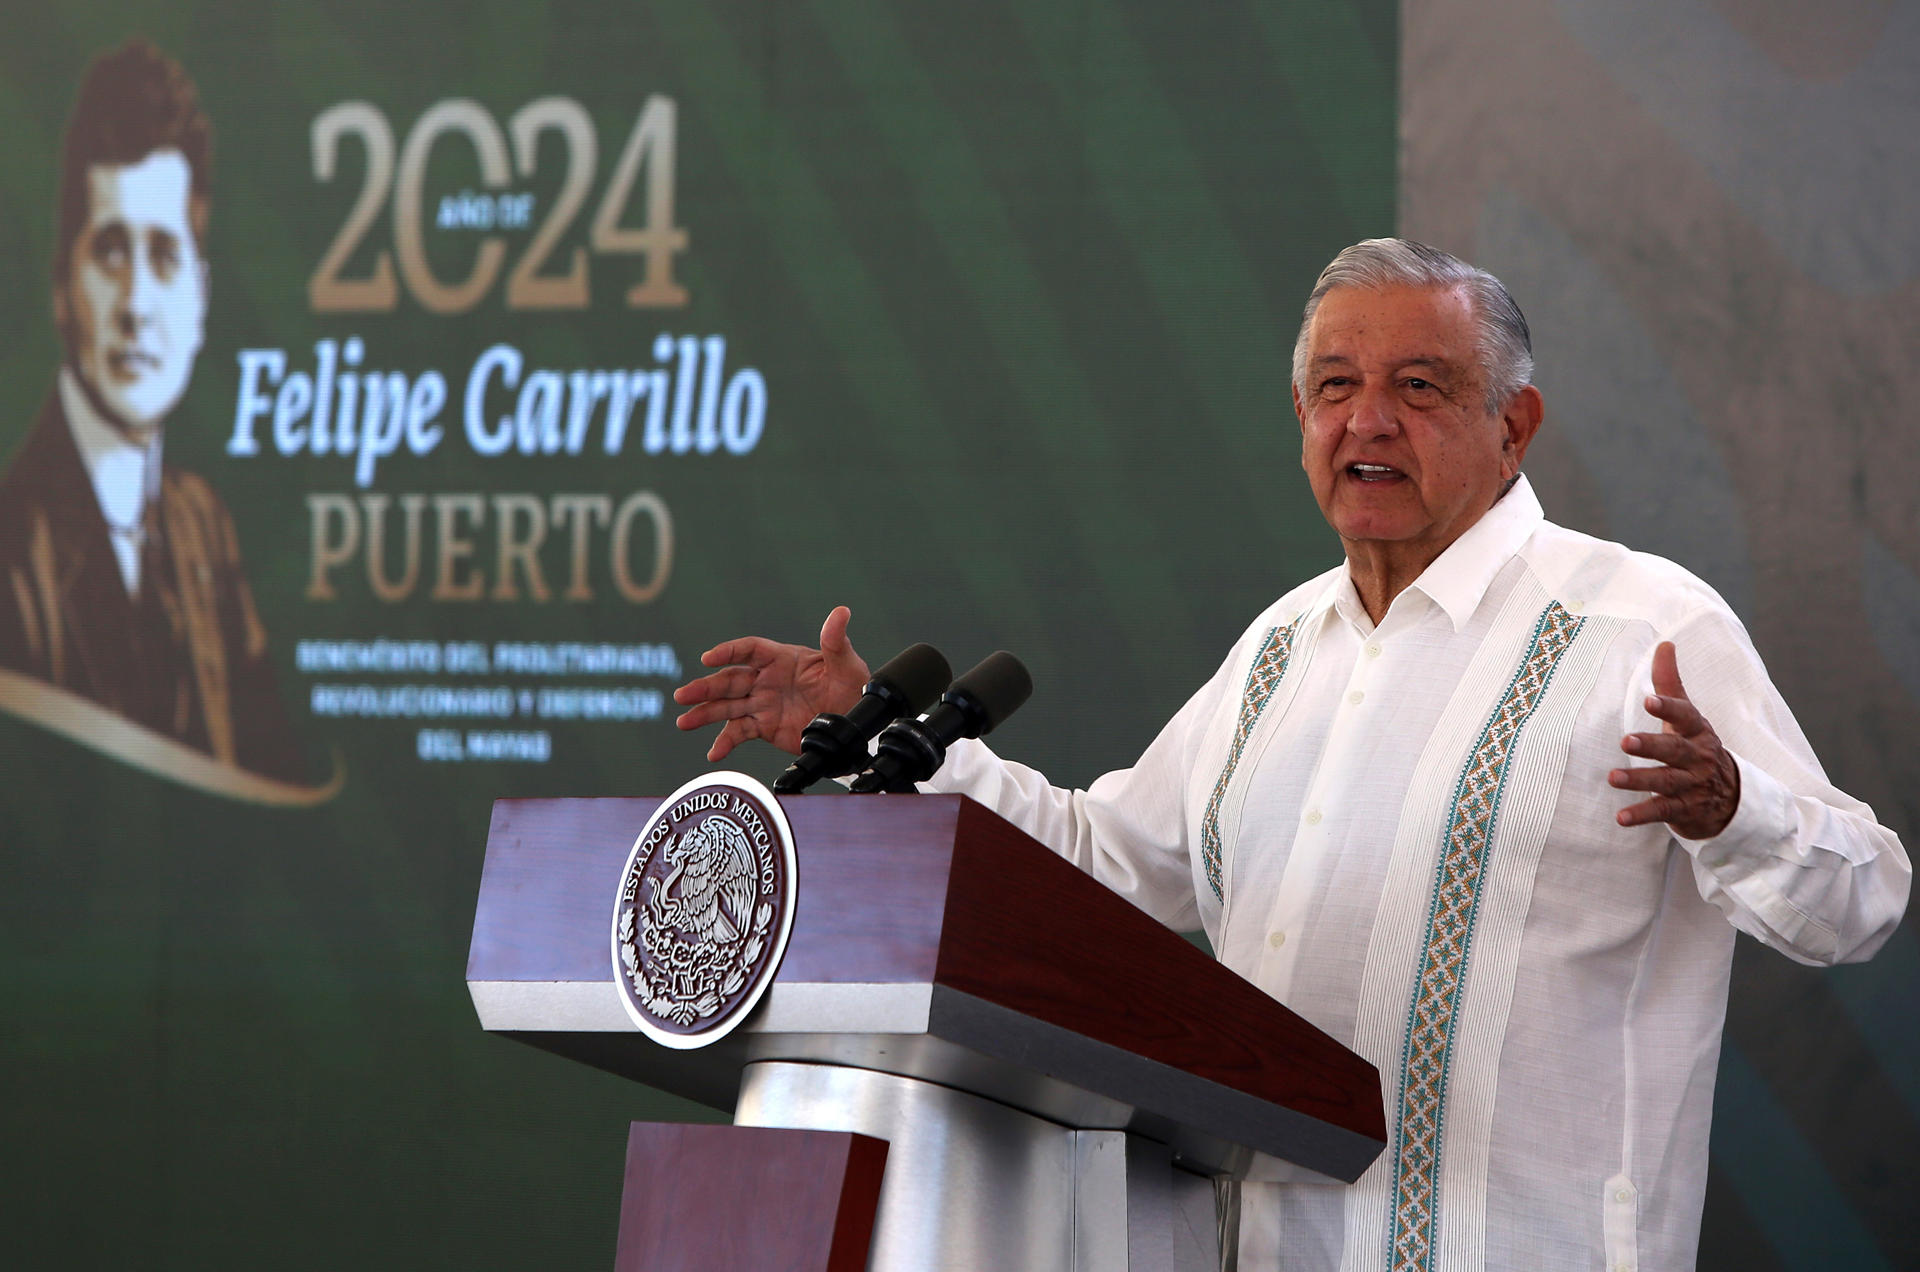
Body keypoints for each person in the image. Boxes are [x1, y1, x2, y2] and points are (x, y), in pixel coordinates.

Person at [672, 239, 1909, 1270]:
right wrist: (887, 740)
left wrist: (1736, 809)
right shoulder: (1281, 648)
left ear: (1514, 424)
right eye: (1334, 386)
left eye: (1421, 386)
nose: (1368, 418)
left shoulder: (1643, 628)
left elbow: (1864, 897)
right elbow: (1108, 863)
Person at [0, 39, 303, 784]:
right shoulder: (13, 551)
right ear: (61, 290)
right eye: (110, 251)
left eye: (164, 255)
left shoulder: (204, 527)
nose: (136, 303)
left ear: (199, 299)